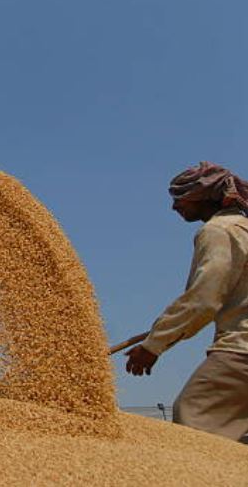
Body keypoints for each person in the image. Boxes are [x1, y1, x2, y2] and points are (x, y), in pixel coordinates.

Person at [125, 161, 248, 442]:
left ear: (203, 195)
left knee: (194, 418)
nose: (175, 206)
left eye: (180, 197)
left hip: (241, 351)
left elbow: (203, 299)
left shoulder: (219, 230)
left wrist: (153, 346)